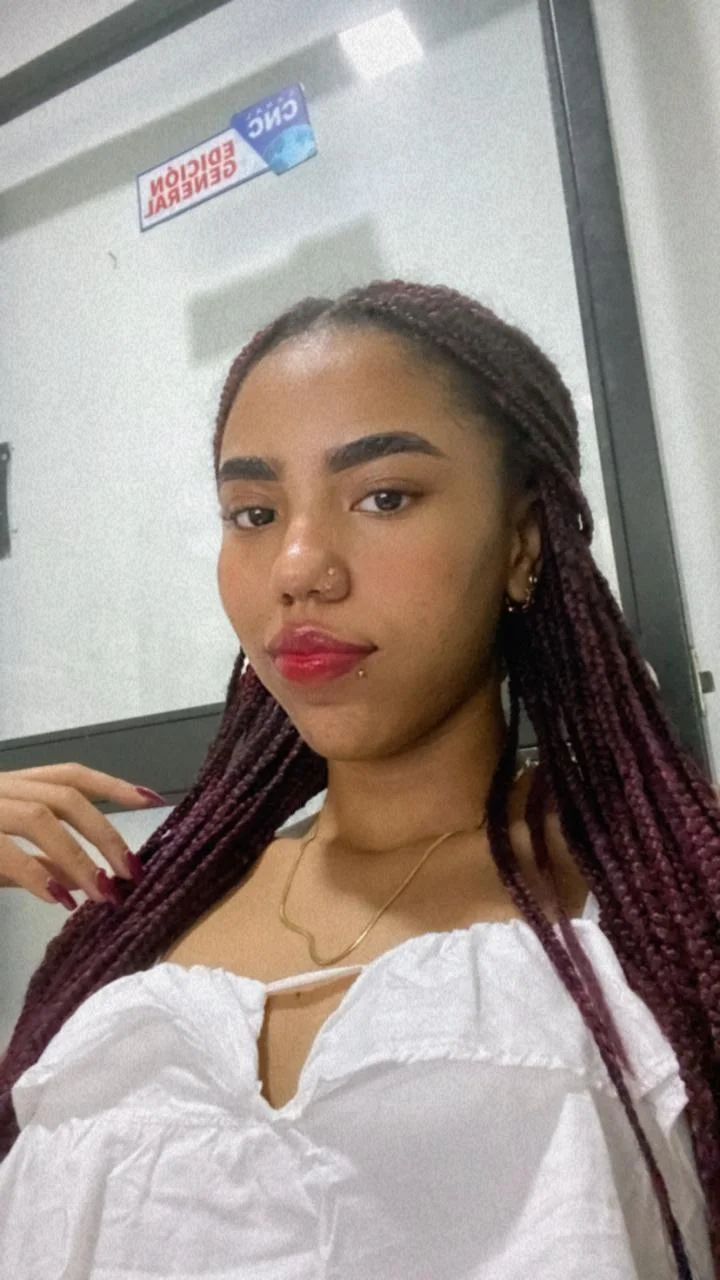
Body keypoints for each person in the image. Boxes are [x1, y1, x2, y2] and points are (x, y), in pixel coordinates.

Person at [0, 279, 717, 1279]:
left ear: (522, 541)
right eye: (254, 512)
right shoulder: (141, 920)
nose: (298, 567)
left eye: (384, 496)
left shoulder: (673, 909)